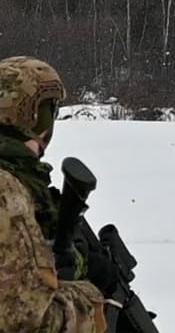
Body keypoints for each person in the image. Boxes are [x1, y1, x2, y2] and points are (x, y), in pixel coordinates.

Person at [0, 55, 106, 333]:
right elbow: (25, 318)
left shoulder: (23, 186)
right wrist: (89, 303)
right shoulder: (7, 190)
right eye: (50, 111)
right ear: (34, 116)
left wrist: (70, 259)